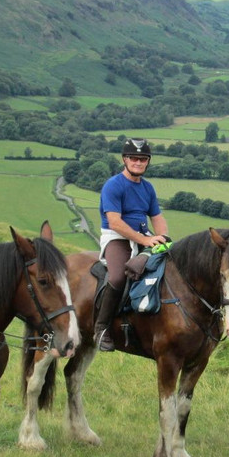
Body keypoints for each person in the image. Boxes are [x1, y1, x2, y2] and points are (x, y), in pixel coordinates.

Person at [94, 138, 170, 351]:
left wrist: (163, 237)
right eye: (134, 158)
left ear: (148, 162)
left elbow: (157, 217)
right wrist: (145, 240)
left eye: (143, 159)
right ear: (125, 159)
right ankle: (101, 328)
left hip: (144, 236)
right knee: (118, 277)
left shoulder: (148, 188)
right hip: (117, 237)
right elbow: (115, 222)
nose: (138, 162)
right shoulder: (113, 185)